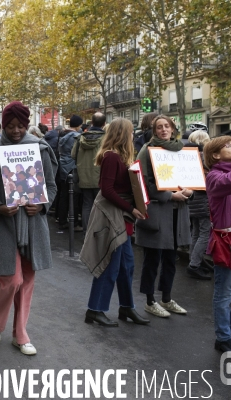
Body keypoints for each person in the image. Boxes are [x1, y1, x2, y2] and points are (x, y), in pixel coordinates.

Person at [0, 101, 57, 355]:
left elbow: (52, 187)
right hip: (4, 226)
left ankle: (20, 333)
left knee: (28, 280)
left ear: (27, 124)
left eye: (20, 126)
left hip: (32, 225)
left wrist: (41, 206)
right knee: (11, 279)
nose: (15, 131)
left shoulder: (40, 150)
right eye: (10, 126)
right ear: (2, 125)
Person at [80, 118, 150, 327]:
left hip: (122, 215)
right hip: (112, 215)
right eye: (130, 132)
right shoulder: (112, 157)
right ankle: (95, 309)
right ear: (122, 134)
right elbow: (107, 190)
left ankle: (127, 307)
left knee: (126, 266)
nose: (133, 135)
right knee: (110, 264)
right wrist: (132, 208)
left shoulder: (122, 157)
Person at [135, 115, 192, 318]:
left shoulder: (181, 149)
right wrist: (169, 195)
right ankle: (150, 301)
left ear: (173, 128)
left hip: (177, 212)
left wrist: (189, 191)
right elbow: (142, 183)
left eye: (167, 126)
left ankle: (166, 298)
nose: (163, 130)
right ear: (154, 130)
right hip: (159, 212)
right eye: (159, 127)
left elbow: (188, 176)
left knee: (170, 257)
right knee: (153, 258)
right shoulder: (147, 151)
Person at [203, 137, 231, 359]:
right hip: (228, 243)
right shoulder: (214, 177)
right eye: (228, 145)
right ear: (215, 156)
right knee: (224, 293)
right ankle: (223, 338)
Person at [184, 130, 212, 280]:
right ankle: (194, 264)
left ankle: (194, 260)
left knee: (195, 232)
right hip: (203, 200)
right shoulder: (204, 158)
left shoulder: (189, 158)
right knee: (204, 233)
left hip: (192, 200)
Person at [72, 112, 107, 232]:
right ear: (104, 124)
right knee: (101, 205)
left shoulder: (80, 137)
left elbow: (73, 155)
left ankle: (87, 231)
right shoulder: (106, 139)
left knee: (87, 205)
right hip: (100, 176)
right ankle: (98, 230)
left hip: (84, 176)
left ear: (91, 123)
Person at [57, 116, 83, 231]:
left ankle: (62, 220)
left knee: (64, 195)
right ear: (78, 125)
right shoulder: (76, 136)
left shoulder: (63, 135)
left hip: (63, 166)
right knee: (74, 196)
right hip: (72, 166)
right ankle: (74, 222)